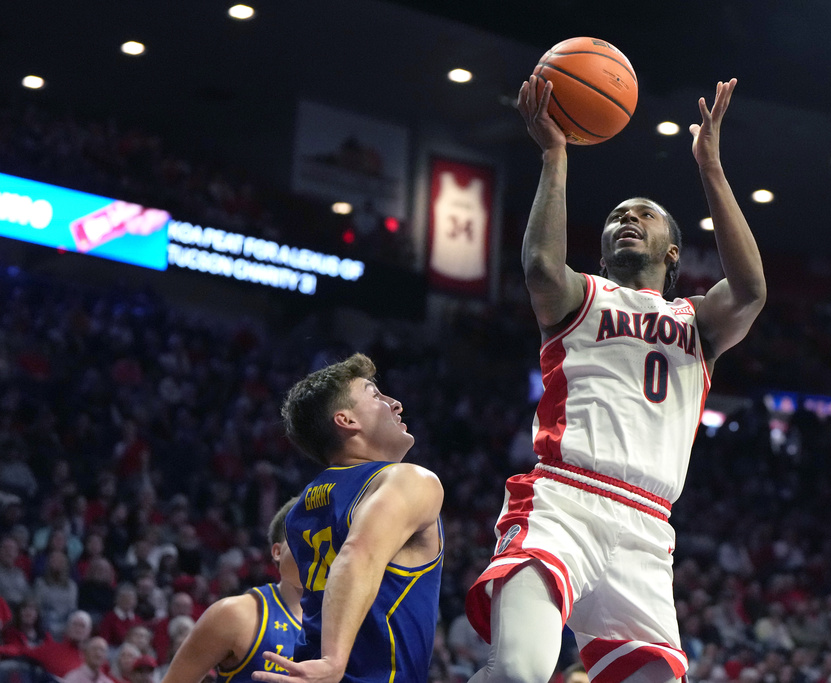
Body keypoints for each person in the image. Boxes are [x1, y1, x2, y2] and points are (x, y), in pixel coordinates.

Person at [465, 77, 766, 683]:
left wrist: (710, 167)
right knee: (522, 672)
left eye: (645, 216)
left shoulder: (698, 323)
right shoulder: (582, 295)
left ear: (674, 251)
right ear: (601, 251)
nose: (628, 218)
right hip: (564, 499)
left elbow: (752, 290)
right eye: (617, 216)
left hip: (648, 529)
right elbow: (540, 266)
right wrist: (555, 155)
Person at [252, 353, 444, 683]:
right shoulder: (407, 479)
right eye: (375, 395)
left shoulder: (301, 509)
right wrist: (333, 660)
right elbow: (357, 556)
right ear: (346, 420)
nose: (395, 403)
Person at [161, 498, 303, 683]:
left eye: (325, 539)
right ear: (277, 552)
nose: (315, 548)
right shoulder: (234, 614)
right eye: (302, 537)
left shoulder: (348, 624)